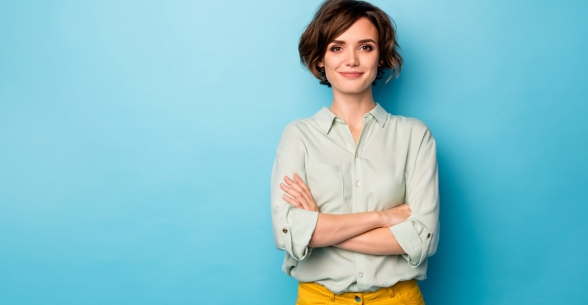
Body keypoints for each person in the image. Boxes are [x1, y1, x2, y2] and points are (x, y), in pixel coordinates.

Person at [270, 0, 439, 304]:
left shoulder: (414, 135)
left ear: (380, 57)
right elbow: (288, 235)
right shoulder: (298, 136)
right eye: (337, 47)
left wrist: (321, 229)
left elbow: (422, 238)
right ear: (320, 59)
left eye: (365, 47)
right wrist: (383, 217)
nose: (351, 60)